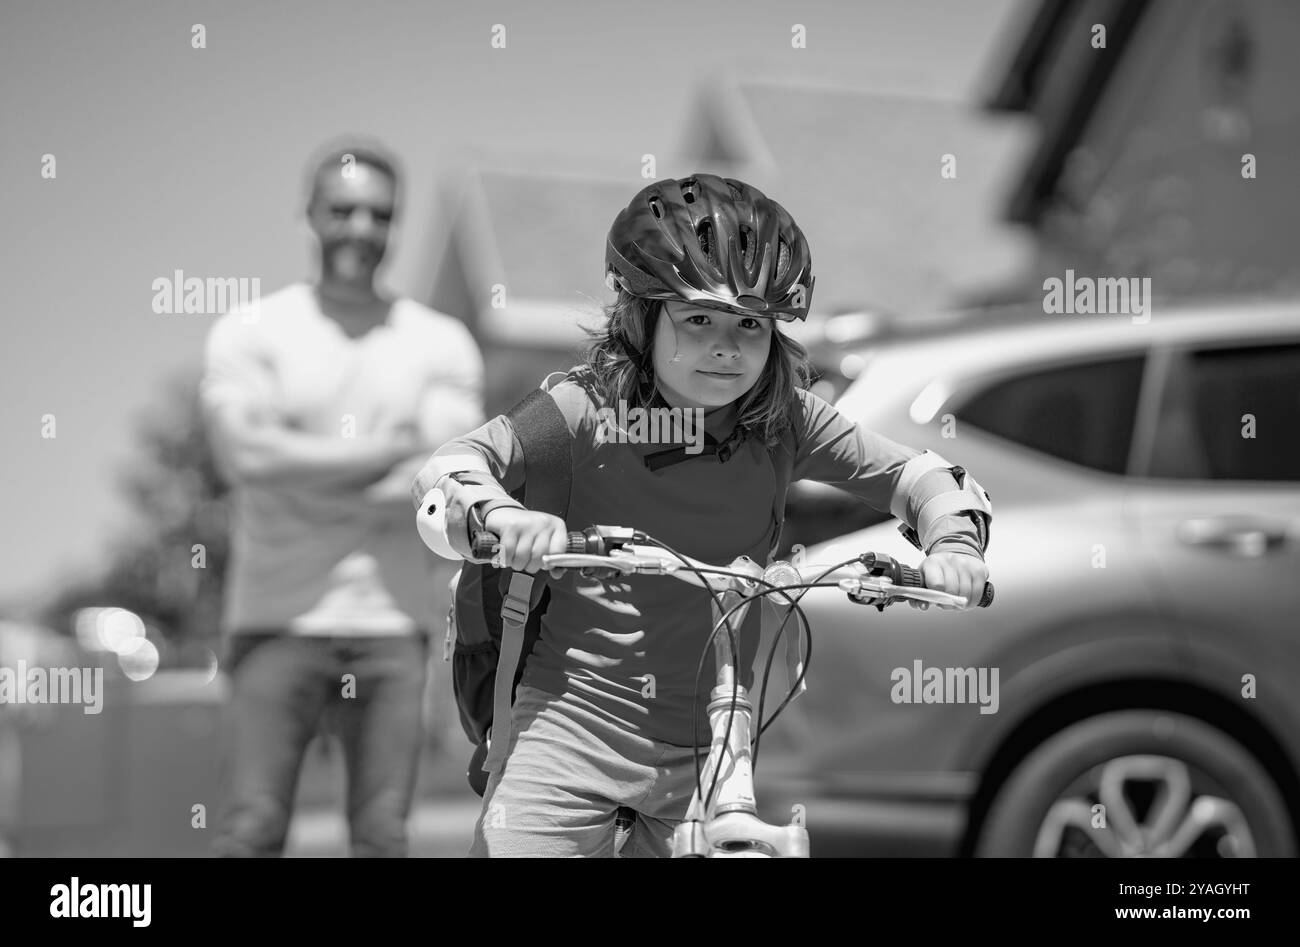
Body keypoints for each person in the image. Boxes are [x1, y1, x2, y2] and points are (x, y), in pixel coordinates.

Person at [411, 173, 991, 857]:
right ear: (640, 315)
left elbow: (922, 475)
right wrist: (503, 516)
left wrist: (953, 544)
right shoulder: (583, 411)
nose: (726, 345)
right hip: (569, 727)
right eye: (697, 319)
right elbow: (449, 469)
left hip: (714, 745)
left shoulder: (786, 422)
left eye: (751, 323)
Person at [201, 139, 484, 856]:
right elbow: (243, 455)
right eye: (344, 209)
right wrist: (388, 448)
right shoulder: (250, 330)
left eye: (380, 214)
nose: (361, 227)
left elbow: (438, 487)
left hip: (393, 624)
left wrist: (296, 468)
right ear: (310, 214)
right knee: (250, 829)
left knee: (383, 836)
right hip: (272, 618)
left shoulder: (440, 341)